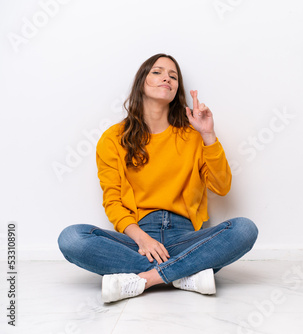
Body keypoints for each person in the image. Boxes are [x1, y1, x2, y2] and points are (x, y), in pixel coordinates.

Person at [58, 53, 258, 303]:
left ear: (177, 89)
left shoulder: (193, 135)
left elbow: (222, 186)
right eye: (157, 72)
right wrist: (142, 238)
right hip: (139, 238)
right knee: (71, 238)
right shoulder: (113, 138)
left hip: (186, 237)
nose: (167, 78)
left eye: (173, 76)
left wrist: (208, 135)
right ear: (141, 81)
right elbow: (112, 201)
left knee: (244, 229)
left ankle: (146, 279)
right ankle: (186, 273)